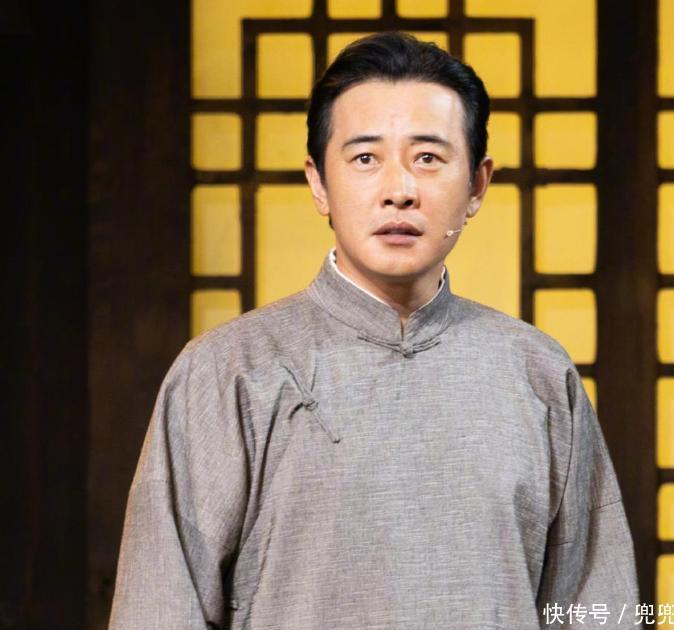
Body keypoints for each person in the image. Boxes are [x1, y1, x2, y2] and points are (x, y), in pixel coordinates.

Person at [109, 31, 643, 629]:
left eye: (428, 158)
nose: (399, 191)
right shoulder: (228, 371)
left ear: (476, 185)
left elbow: (598, 606)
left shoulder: (537, 373)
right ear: (318, 182)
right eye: (365, 158)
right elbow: (159, 608)